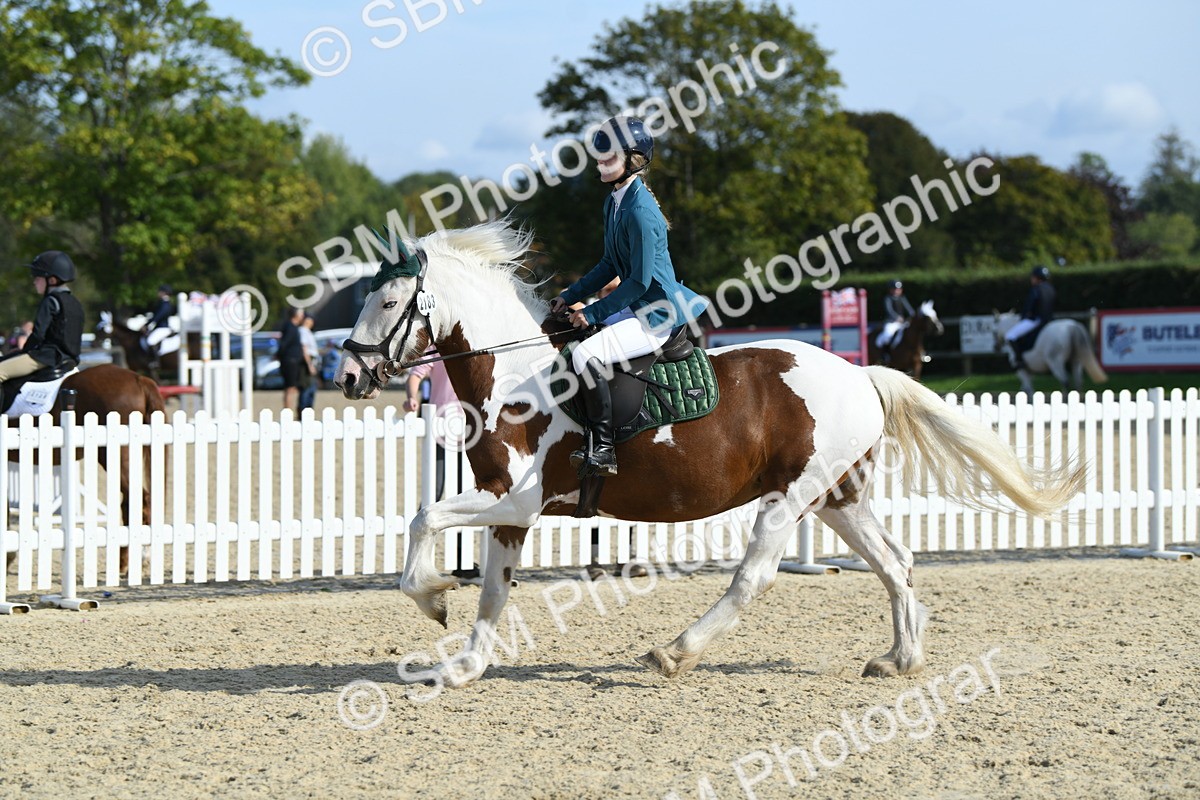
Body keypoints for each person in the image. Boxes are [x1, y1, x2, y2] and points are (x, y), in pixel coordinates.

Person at [549, 115, 709, 477]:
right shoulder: (615, 202)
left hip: (657, 314)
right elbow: (609, 263)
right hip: (637, 306)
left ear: (633, 160)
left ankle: (603, 448)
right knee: (575, 338)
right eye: (600, 156)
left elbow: (637, 281)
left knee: (587, 354)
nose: (600, 162)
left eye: (609, 157)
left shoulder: (640, 212)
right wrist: (571, 295)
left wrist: (592, 312)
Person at [0, 251, 84, 407]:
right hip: (70, 359)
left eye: (37, 278)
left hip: (46, 357)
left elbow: (38, 334)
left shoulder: (51, 301)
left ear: (51, 280)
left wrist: (24, 351)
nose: (34, 282)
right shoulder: (75, 303)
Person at [1004, 265, 1056, 369]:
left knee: (1010, 335)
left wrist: (1024, 316)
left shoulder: (1036, 289)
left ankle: (1019, 361)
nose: (1031, 279)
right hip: (1050, 320)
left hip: (1036, 320)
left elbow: (1028, 307)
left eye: (1032, 277)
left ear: (1037, 277)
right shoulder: (1051, 289)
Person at [277, 307, 308, 413]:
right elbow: (284, 344)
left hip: (292, 361)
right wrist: (280, 355)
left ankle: (289, 410)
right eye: (301, 314)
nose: (303, 317)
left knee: (292, 388)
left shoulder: (293, 327)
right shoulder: (290, 327)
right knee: (290, 388)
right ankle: (287, 411)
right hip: (290, 361)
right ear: (296, 315)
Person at [875, 280, 915, 363]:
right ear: (890, 290)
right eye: (894, 289)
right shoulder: (888, 298)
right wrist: (897, 317)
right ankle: (886, 355)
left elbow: (909, 309)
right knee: (886, 336)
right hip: (891, 322)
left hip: (902, 323)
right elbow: (889, 310)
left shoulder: (902, 298)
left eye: (898, 289)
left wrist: (913, 316)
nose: (896, 291)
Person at [142, 284, 177, 362]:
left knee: (150, 341)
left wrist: (147, 325)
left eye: (159, 292)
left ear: (164, 293)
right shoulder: (162, 303)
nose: (158, 293)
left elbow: (157, 316)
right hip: (160, 327)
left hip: (163, 328)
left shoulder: (165, 304)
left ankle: (155, 361)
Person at [297, 315, 320, 411]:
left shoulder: (308, 332)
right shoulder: (302, 331)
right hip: (307, 362)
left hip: (312, 360)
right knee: (306, 387)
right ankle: (303, 411)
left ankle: (308, 410)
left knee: (312, 388)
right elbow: (304, 348)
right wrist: (309, 365)